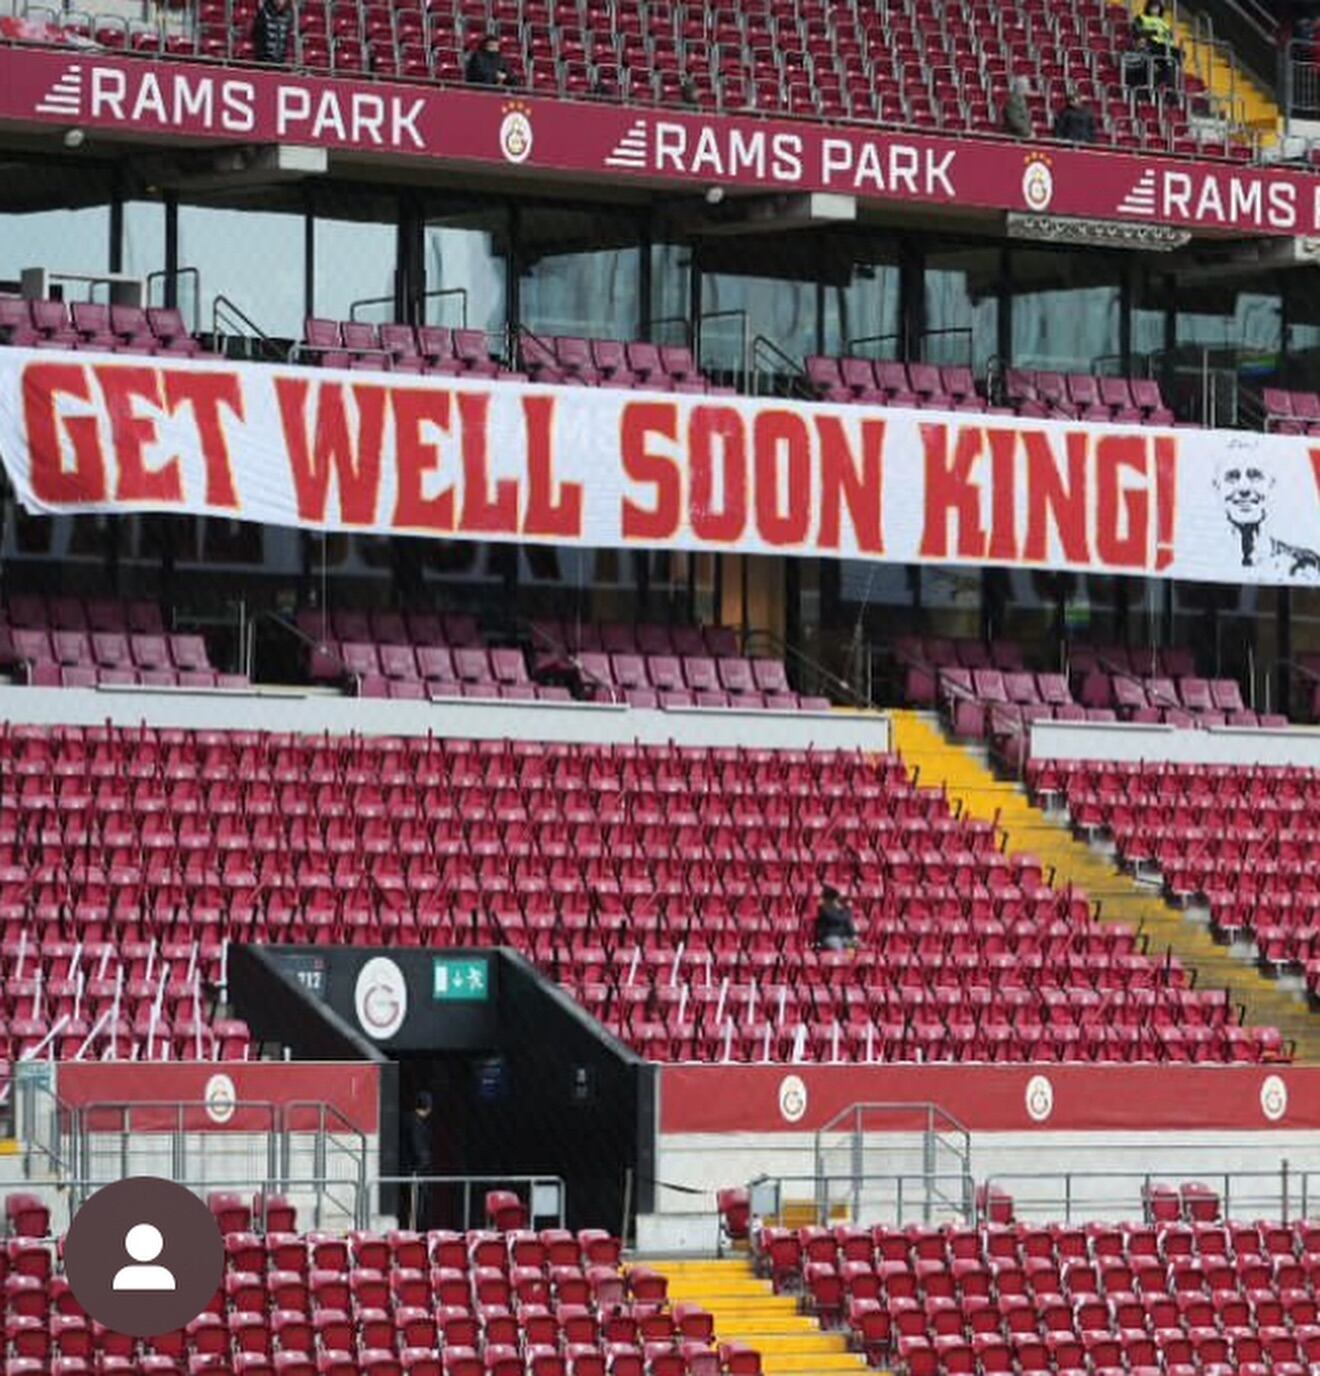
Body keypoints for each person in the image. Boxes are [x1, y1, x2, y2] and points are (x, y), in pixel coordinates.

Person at [1215, 453, 1320, 578]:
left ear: (1271, 484)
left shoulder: (1305, 562)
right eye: (1232, 477)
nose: (1244, 488)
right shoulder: (1198, 558)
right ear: (1217, 486)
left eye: (1255, 476)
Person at [403, 1091, 434, 1229]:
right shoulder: (416, 1123)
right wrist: (422, 1162)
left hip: (414, 1169)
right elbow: (417, 1146)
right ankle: (413, 1232)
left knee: (416, 1205)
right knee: (415, 1206)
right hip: (415, 1171)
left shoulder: (411, 1120)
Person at [1132, 0, 1180, 87]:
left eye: (1157, 7)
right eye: (1153, 7)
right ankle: (1161, 80)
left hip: (1163, 47)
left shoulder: (1164, 23)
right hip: (1150, 44)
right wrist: (1155, 32)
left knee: (1179, 54)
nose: (1155, 9)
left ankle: (1169, 84)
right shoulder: (1141, 18)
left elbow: (1169, 36)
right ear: (1148, 7)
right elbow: (1137, 32)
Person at [814, 886, 859, 953]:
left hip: (843, 937)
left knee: (856, 946)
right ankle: (843, 962)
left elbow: (848, 921)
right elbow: (837, 919)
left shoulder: (841, 909)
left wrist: (853, 935)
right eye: (836, 899)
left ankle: (851, 962)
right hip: (830, 936)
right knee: (838, 949)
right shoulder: (824, 909)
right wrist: (848, 910)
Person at [253, 0, 293, 65]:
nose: (280, 2)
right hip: (264, 61)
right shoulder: (263, 14)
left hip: (281, 62)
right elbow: (257, 37)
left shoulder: (289, 16)